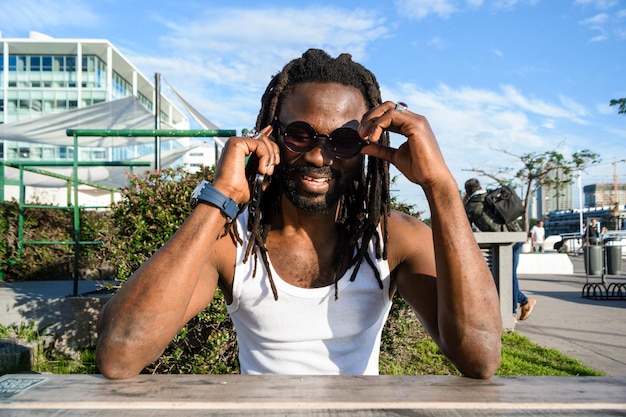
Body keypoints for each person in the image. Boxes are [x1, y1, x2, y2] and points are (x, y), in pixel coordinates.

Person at [96, 49, 502, 379]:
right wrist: (221, 197)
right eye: (300, 134)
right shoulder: (232, 239)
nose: (318, 155)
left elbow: (480, 358)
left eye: (343, 140)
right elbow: (120, 356)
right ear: (268, 134)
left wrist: (441, 186)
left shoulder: (393, 237)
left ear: (366, 147)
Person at [463, 178, 536, 322]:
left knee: (506, 276)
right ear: (480, 186)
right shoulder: (493, 196)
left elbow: (465, 229)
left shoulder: (470, 206)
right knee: (509, 275)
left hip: (501, 244)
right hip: (515, 237)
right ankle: (522, 304)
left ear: (468, 191)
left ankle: (514, 310)